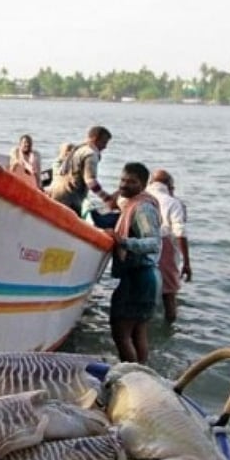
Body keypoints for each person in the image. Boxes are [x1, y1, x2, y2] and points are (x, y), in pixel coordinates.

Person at [105, 162, 161, 363]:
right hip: (144, 276)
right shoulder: (132, 203)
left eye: (132, 182)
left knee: (121, 331)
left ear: (143, 185)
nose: (124, 185)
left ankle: (131, 376)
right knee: (137, 331)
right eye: (122, 180)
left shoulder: (142, 208)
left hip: (139, 277)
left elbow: (153, 242)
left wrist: (123, 241)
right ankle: (142, 373)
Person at [146, 169, 191, 323]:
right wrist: (186, 262)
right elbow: (180, 232)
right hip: (164, 246)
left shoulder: (140, 197)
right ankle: (169, 326)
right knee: (169, 294)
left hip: (141, 245)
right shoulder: (173, 202)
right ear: (169, 186)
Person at [48, 126, 117, 216]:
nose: (105, 147)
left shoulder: (77, 149)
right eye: (104, 142)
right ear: (95, 139)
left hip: (54, 193)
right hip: (69, 199)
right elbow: (91, 181)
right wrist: (107, 198)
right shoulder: (91, 154)